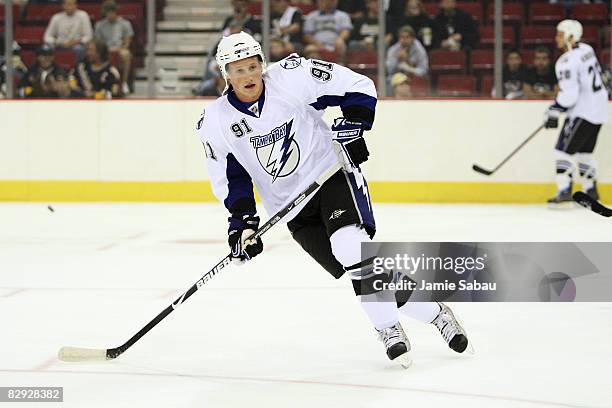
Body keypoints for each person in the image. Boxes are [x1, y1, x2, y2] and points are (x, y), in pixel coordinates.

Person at [196, 31, 471, 366]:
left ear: (262, 64)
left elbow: (355, 85)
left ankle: (388, 329)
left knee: (350, 247)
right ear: (225, 74)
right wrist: (241, 224)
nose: (247, 76)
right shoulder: (216, 121)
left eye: (252, 66)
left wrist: (355, 124)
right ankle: (436, 313)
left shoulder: (292, 78)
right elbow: (231, 176)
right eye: (237, 70)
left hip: (329, 176)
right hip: (290, 207)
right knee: (357, 267)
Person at [544, 20, 609, 205]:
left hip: (582, 112)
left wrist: (554, 110)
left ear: (571, 36)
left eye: (559, 34)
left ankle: (564, 189)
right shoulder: (587, 49)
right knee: (584, 153)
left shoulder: (566, 61)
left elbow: (570, 96)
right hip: (599, 111)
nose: (556, 38)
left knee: (562, 152)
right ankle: (591, 191)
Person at [94, 0, 134, 95]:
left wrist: (122, 48)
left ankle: (124, 83)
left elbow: (127, 40)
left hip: (120, 49)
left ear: (116, 12)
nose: (110, 15)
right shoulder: (100, 25)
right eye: (108, 13)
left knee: (126, 54)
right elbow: (98, 42)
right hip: (105, 50)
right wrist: (105, 49)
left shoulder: (125, 23)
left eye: (112, 12)